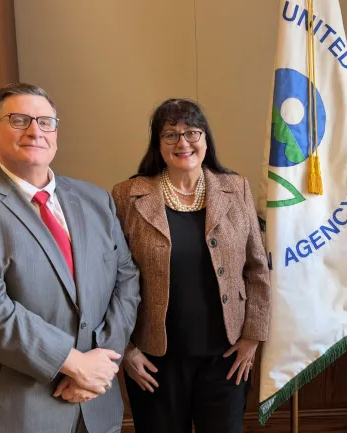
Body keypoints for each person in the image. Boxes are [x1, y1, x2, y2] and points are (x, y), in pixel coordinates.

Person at [0, 83, 141, 433]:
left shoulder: (96, 199)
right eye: (19, 120)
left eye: (46, 122)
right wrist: (73, 363)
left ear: (56, 133)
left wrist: (98, 363)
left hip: (94, 403)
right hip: (10, 409)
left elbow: (127, 280)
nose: (35, 131)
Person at [111, 98, 271, 433]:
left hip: (226, 359)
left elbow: (257, 269)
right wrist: (125, 350)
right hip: (154, 362)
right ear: (158, 143)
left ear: (206, 139)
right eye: (170, 134)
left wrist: (253, 337)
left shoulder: (236, 188)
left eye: (192, 132)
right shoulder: (127, 195)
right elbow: (109, 279)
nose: (183, 143)